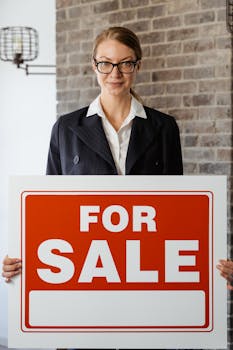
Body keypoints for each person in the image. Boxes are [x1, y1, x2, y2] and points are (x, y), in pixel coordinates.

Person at [2, 27, 183, 283]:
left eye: (125, 64)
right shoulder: (66, 128)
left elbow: (179, 208)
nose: (115, 74)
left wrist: (210, 262)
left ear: (138, 66)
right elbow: (50, 208)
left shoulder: (164, 127)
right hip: (84, 264)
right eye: (106, 64)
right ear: (94, 66)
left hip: (146, 261)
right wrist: (23, 256)